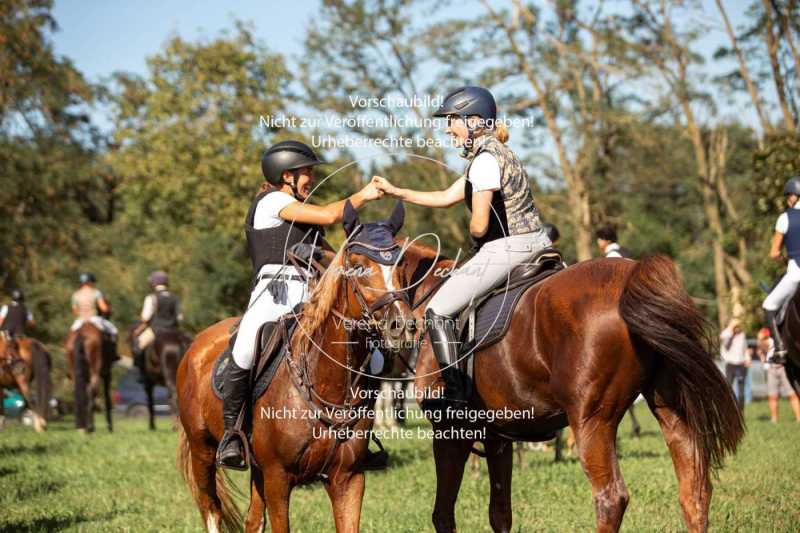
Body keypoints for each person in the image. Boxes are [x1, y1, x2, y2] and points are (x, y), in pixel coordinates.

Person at [372, 86, 551, 410]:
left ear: (474, 121)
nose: (447, 128)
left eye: (452, 120)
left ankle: (456, 393)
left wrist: (473, 235)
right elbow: (444, 196)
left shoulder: (484, 162)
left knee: (437, 310)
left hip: (509, 248)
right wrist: (396, 191)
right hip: (537, 242)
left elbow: (480, 225)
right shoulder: (496, 154)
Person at [216, 140, 384, 470]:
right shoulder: (271, 201)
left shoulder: (303, 216)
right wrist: (363, 195)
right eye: (306, 172)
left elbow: (331, 258)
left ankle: (362, 434)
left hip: (311, 296)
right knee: (246, 348)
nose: (310, 179)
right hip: (272, 294)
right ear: (286, 175)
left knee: (374, 354)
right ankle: (232, 436)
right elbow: (330, 214)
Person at [762, 176, 800, 364]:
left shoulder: (785, 218)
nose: (787, 199)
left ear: (794, 196)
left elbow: (774, 253)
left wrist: (785, 258)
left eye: (788, 196)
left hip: (795, 272)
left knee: (768, 305)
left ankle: (779, 348)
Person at [131, 271, 182, 375]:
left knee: (137, 345)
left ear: (154, 283)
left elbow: (145, 318)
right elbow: (180, 318)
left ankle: (141, 373)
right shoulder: (175, 297)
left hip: (156, 330)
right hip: (173, 331)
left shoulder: (151, 297)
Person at [756, 328, 800, 423]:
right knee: (772, 396)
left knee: (792, 394)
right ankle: (774, 419)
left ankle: (798, 418)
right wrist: (761, 356)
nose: (759, 341)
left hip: (783, 368)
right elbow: (764, 360)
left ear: (766, 337)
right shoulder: (764, 346)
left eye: (761, 338)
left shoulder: (775, 341)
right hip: (772, 369)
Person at [69, 273, 118, 341]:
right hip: (94, 319)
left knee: (71, 334)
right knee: (114, 330)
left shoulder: (75, 295)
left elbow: (75, 312)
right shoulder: (96, 293)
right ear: (90, 282)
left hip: (80, 320)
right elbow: (103, 308)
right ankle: (111, 349)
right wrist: (108, 309)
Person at [720, 318, 749, 412]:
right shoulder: (725, 334)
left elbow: (745, 348)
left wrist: (747, 358)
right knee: (728, 389)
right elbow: (726, 345)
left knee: (741, 391)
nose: (737, 327)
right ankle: (728, 410)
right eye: (735, 325)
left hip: (741, 364)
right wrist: (731, 331)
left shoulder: (742, 335)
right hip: (730, 364)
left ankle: (741, 411)